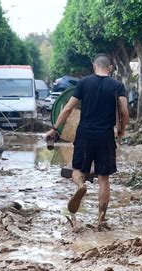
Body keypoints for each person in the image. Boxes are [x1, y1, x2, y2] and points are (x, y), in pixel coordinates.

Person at [44, 54, 129, 228]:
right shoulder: (117, 86)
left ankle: (81, 186)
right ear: (111, 67)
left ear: (94, 66)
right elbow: (124, 111)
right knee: (103, 179)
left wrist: (54, 128)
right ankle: (101, 219)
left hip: (84, 134)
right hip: (105, 136)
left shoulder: (83, 83)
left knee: (77, 170)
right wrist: (121, 131)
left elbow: (68, 108)